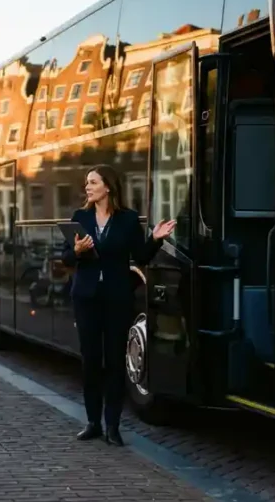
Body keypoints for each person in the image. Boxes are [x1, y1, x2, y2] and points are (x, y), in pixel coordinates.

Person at [61, 164, 176, 447]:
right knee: (90, 361)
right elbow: (66, 258)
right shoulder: (80, 218)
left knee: (114, 362)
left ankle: (113, 427)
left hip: (116, 298)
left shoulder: (127, 220)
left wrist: (155, 240)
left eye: (93, 182)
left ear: (108, 186)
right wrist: (76, 251)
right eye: (87, 183)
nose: (87, 187)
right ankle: (92, 423)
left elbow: (141, 256)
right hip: (86, 298)